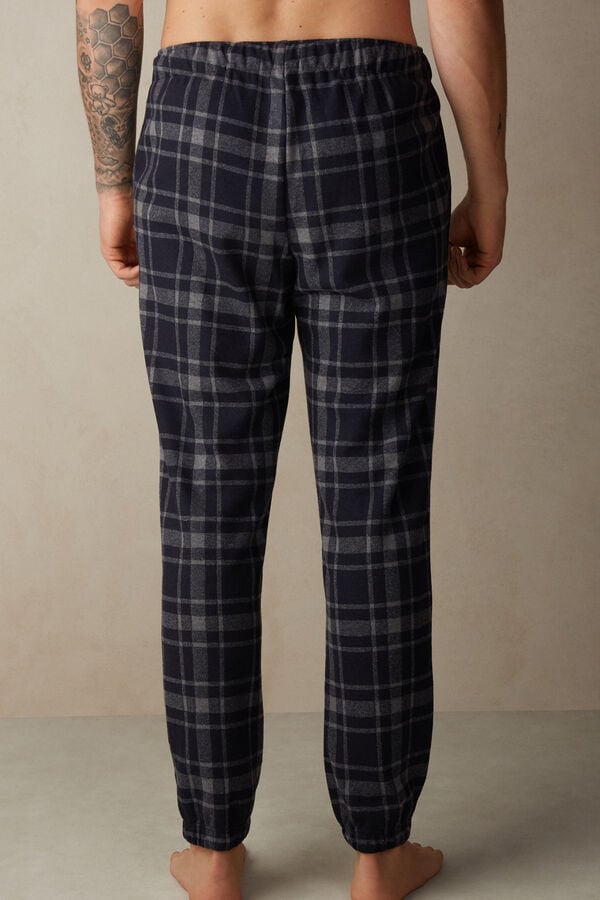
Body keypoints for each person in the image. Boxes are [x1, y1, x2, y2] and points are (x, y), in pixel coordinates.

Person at [76, 1, 507, 897]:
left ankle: (214, 851)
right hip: (373, 122)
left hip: (200, 118)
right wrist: (490, 177)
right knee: (377, 498)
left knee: (206, 505)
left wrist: (113, 184)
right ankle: (380, 852)